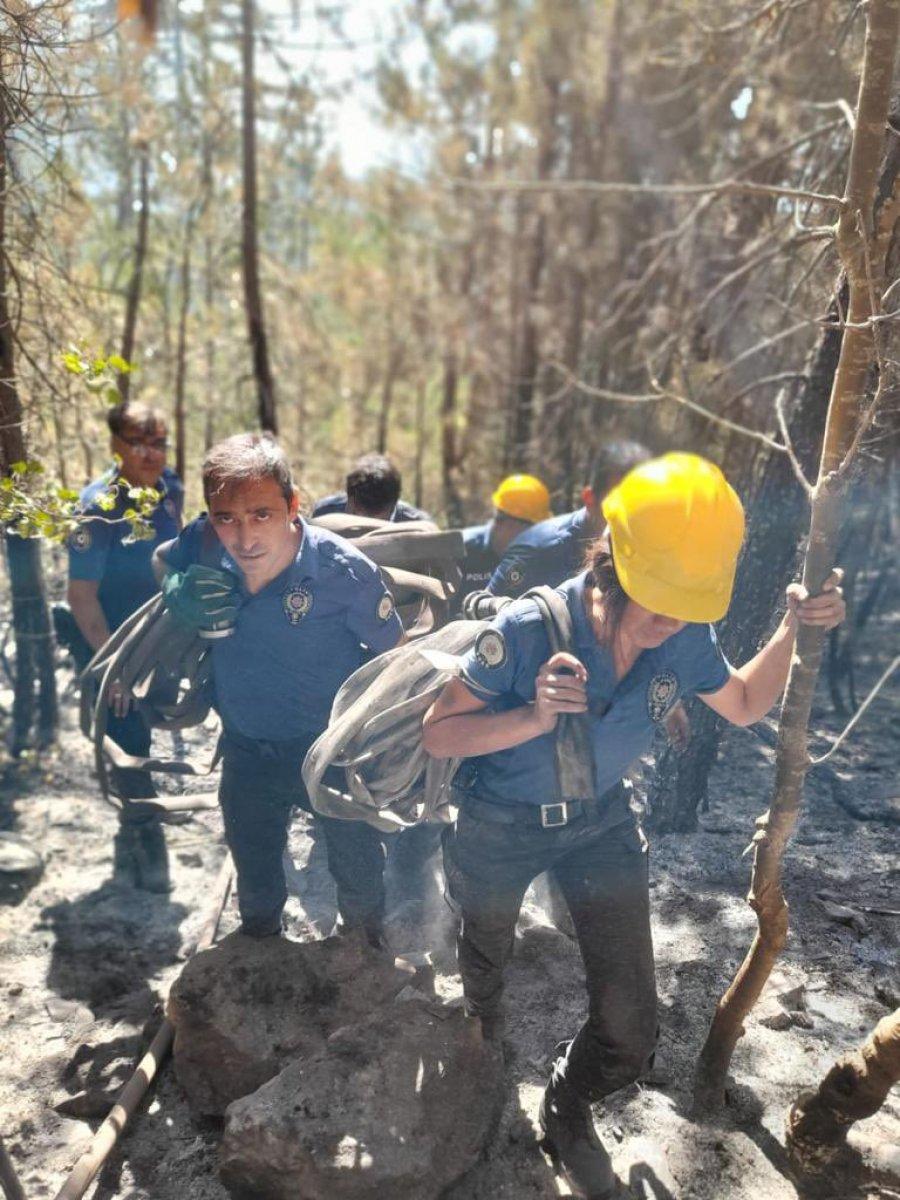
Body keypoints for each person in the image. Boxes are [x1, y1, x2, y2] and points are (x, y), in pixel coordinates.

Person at [423, 452, 845, 1198]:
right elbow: (438, 733)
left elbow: (745, 703)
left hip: (600, 824)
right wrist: (531, 715)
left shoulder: (681, 635)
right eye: (657, 600)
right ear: (614, 557)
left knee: (631, 1033)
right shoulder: (528, 628)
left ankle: (567, 1098)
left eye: (686, 604)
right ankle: (482, 1048)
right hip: (499, 823)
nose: (670, 622)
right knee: (483, 965)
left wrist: (793, 629)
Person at [156, 434, 404, 944]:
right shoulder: (203, 542)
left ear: (293, 506)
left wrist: (377, 746)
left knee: (357, 870)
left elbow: (396, 660)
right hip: (246, 749)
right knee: (256, 873)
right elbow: (162, 559)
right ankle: (262, 952)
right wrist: (174, 589)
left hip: (330, 753)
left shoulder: (343, 571)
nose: (244, 537)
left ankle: (364, 946)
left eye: (262, 515)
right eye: (227, 517)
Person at [66, 402, 184, 893]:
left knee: (148, 725)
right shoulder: (96, 510)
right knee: (126, 734)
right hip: (108, 638)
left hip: (159, 634)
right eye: (139, 442)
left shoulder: (170, 488)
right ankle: (146, 840)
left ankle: (134, 821)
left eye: (159, 442)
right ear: (116, 444)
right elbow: (81, 598)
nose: (151, 453)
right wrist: (112, 668)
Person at [487, 441, 652, 599]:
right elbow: (486, 617)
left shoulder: (654, 555)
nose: (631, 517)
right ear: (589, 499)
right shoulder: (536, 552)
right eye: (619, 504)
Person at [460, 474, 552, 599]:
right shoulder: (462, 550)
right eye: (530, 530)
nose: (535, 537)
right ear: (501, 521)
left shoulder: (539, 555)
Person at [313, 453, 431, 523]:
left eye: (378, 520)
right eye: (358, 514)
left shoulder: (417, 525)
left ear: (393, 504)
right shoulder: (325, 515)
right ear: (349, 500)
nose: (368, 526)